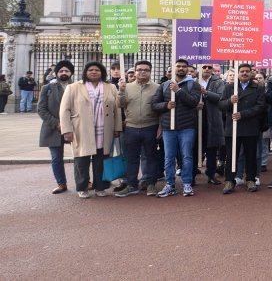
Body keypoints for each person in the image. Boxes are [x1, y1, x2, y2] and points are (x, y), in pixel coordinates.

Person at [59, 61, 122, 198]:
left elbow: (117, 109)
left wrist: (117, 128)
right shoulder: (74, 87)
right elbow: (64, 110)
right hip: (81, 129)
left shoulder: (110, 87)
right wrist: (67, 130)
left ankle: (100, 187)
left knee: (101, 160)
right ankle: (82, 187)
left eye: (97, 70)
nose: (94, 72)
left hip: (104, 129)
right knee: (82, 161)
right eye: (91, 70)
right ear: (85, 72)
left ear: (102, 73)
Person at [151, 59, 203, 198]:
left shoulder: (194, 85)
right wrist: (166, 106)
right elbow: (154, 104)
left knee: (186, 156)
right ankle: (170, 185)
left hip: (187, 127)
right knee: (169, 157)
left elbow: (193, 102)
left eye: (184, 66)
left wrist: (179, 91)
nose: (181, 68)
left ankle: (187, 183)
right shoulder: (164, 85)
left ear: (187, 69)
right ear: (174, 68)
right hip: (169, 127)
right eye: (178, 66)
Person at [114, 60, 160, 197]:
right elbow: (120, 105)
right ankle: (131, 185)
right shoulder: (126, 87)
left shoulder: (157, 87)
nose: (142, 72)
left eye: (146, 70)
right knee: (131, 158)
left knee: (151, 157)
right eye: (139, 69)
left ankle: (151, 184)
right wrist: (121, 91)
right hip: (131, 128)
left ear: (150, 72)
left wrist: (161, 127)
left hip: (150, 126)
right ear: (135, 71)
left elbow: (161, 110)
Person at [219, 63, 267, 194]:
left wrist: (243, 114)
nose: (244, 73)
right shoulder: (229, 87)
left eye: (247, 71)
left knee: (251, 155)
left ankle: (250, 179)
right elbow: (221, 105)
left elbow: (260, 106)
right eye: (242, 71)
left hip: (250, 127)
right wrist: (229, 101)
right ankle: (229, 180)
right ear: (238, 73)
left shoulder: (258, 88)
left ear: (251, 73)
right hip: (232, 127)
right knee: (231, 156)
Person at [38, 61, 74, 194]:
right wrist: (57, 123)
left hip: (73, 127)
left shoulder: (77, 87)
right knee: (56, 158)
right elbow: (41, 109)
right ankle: (61, 183)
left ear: (71, 73)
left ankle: (84, 181)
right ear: (56, 73)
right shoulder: (47, 88)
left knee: (80, 156)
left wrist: (69, 124)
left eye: (66, 71)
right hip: (53, 128)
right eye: (61, 71)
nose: (64, 73)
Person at [196, 64, 224, 185]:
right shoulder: (194, 81)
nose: (206, 69)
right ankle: (191, 174)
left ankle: (211, 174)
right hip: (196, 119)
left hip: (212, 119)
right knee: (194, 148)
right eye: (204, 67)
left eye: (209, 67)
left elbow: (220, 97)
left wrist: (206, 92)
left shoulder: (218, 82)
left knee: (212, 149)